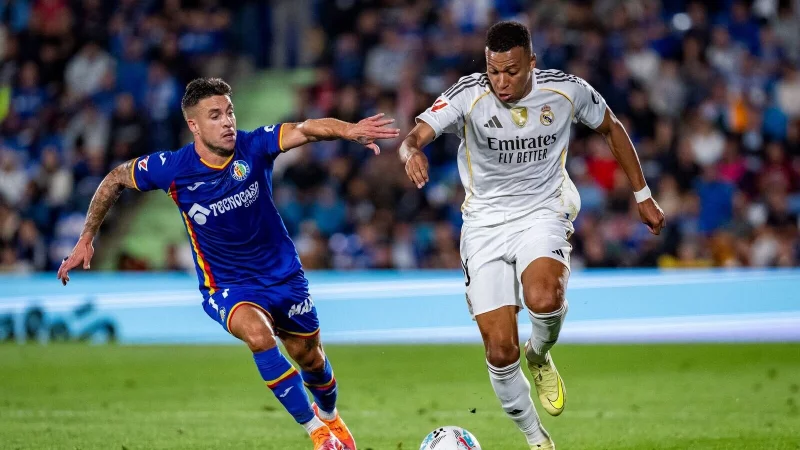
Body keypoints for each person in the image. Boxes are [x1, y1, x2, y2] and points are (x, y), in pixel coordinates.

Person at [57, 77, 400, 450]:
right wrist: (87, 237)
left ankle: (330, 415)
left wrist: (349, 130)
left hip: (284, 276)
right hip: (227, 285)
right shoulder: (172, 168)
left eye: (230, 112)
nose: (227, 122)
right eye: (215, 115)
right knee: (258, 336)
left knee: (311, 360)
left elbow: (305, 129)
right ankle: (318, 432)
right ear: (194, 125)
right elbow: (115, 178)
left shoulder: (254, 146)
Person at [398, 21, 665, 449]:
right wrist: (412, 152)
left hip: (542, 211)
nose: (501, 81)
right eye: (493, 71)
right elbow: (414, 136)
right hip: (484, 225)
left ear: (532, 64)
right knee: (500, 351)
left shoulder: (566, 91)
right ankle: (537, 438)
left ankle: (538, 354)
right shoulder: (468, 95)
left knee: (544, 298)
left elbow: (611, 127)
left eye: (511, 71)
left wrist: (643, 195)